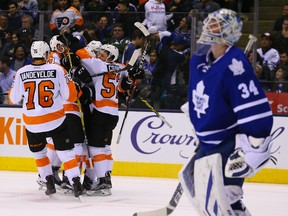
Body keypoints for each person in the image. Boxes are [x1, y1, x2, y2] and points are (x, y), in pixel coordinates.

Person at [183, 9, 273, 215]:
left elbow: (254, 110)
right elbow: (205, 93)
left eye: (217, 24)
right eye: (210, 22)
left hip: (227, 144)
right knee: (204, 198)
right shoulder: (200, 59)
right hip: (208, 143)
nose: (209, 27)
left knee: (224, 197)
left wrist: (254, 148)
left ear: (229, 31)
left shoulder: (234, 64)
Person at [8, 41, 83, 198]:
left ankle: (48, 182)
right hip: (55, 120)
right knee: (66, 154)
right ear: (48, 54)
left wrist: (13, 90)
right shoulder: (57, 69)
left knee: (40, 154)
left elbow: (13, 99)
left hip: (32, 123)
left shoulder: (22, 72)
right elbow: (71, 97)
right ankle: (75, 183)